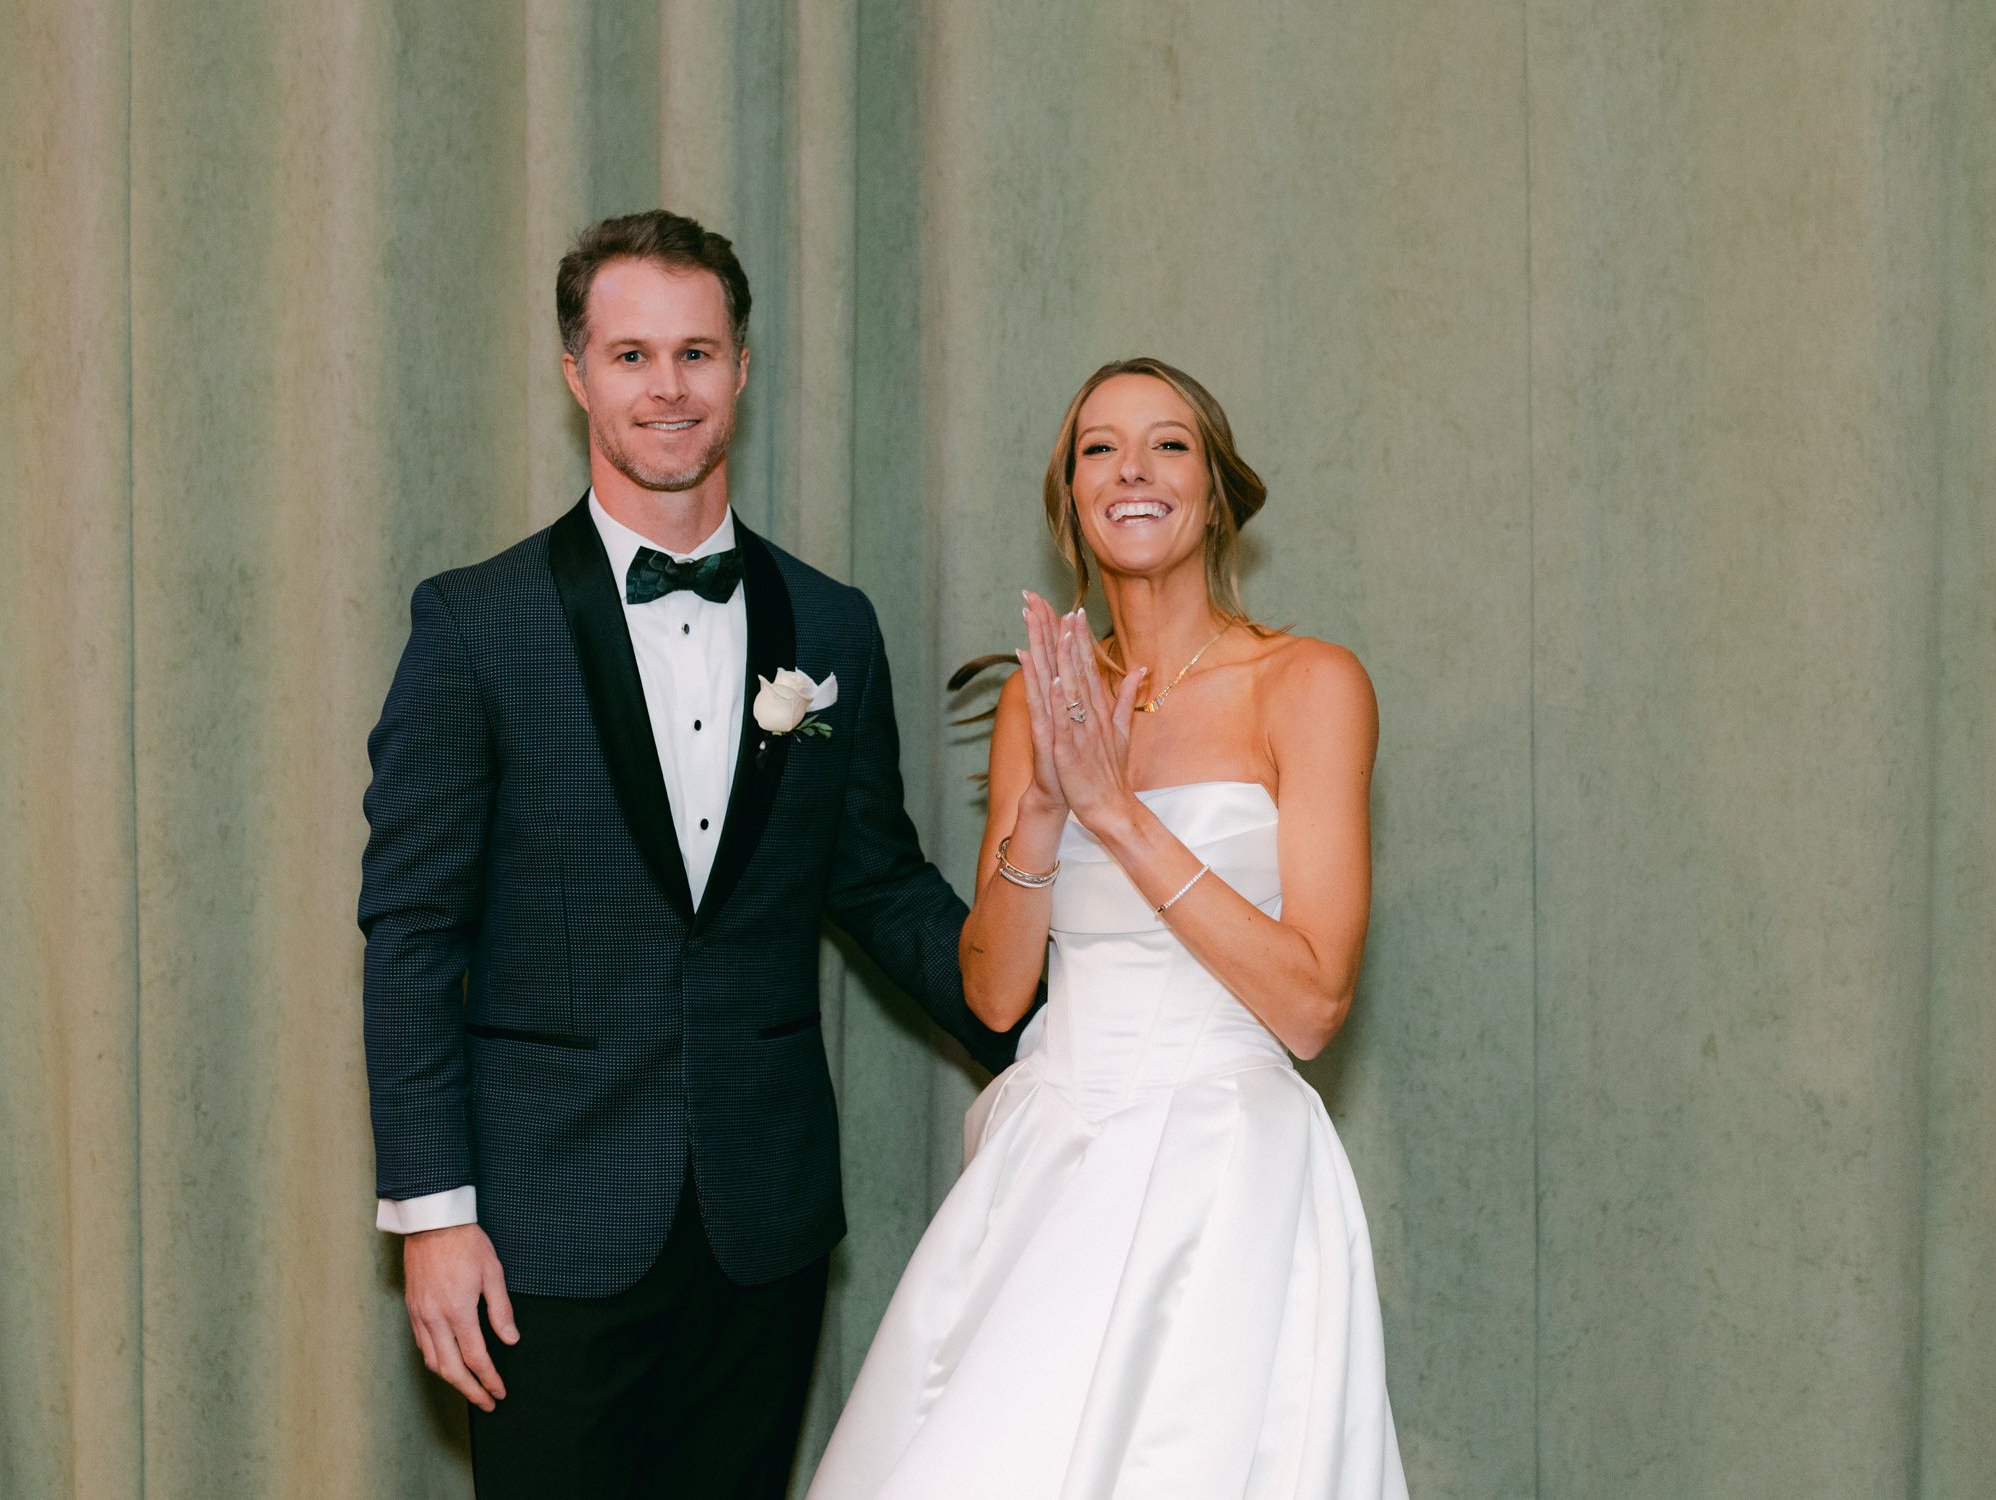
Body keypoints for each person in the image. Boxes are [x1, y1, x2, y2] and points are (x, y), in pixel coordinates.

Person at [358, 209, 1022, 1500]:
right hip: (540, 1235)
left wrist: (1063, 1021)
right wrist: (433, 1218)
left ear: (741, 368)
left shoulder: (833, 623)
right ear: (576, 375)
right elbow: (412, 935)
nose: (667, 387)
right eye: (631, 356)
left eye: (696, 354)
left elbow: (877, 885)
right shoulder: (474, 627)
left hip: (759, 1227)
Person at [809, 358, 1411, 1497]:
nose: (1131, 468)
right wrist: (1040, 809)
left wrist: (1116, 814)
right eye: (1099, 449)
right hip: (1052, 1162)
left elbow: (1314, 1004)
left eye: (1168, 444)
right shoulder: (1043, 701)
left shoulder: (1310, 684)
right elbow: (992, 995)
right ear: (1071, 500)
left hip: (1226, 1170)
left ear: (1215, 490)